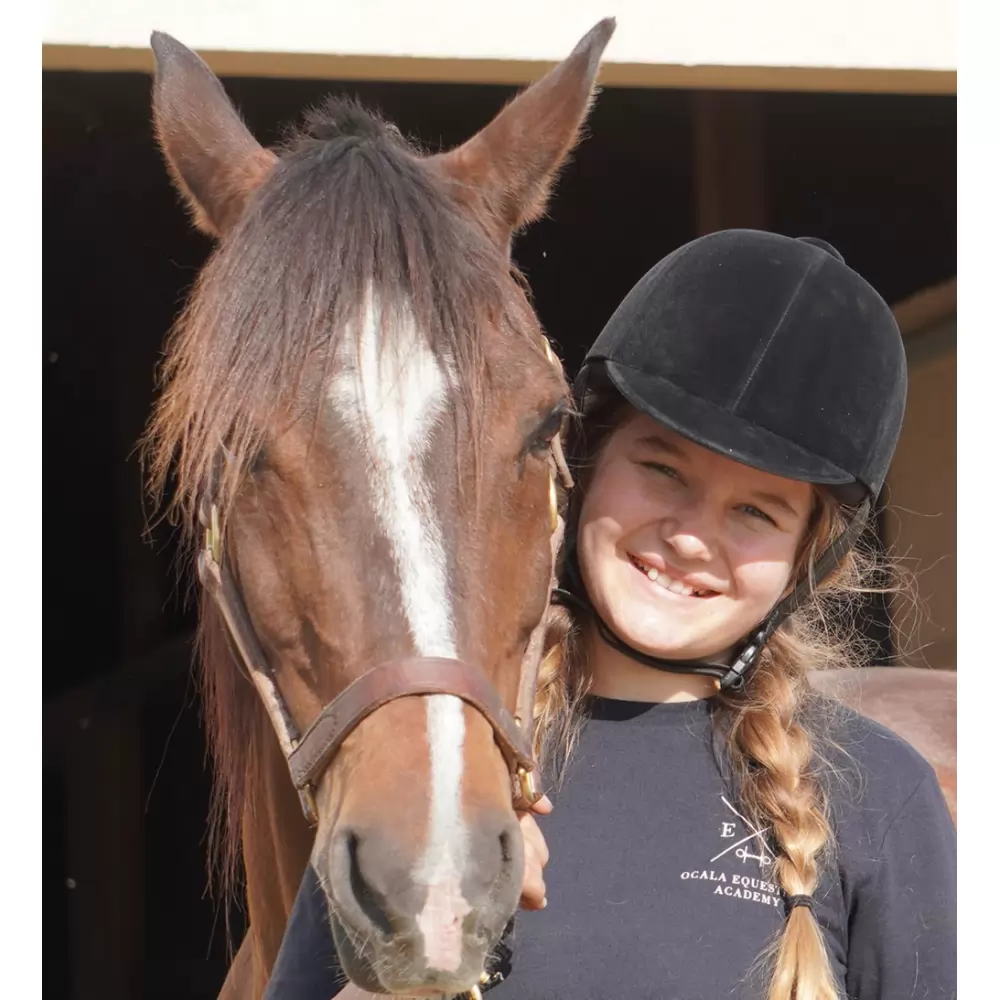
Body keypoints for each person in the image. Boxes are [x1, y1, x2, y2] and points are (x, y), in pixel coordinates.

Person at [263, 230, 956, 1000]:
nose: (692, 535)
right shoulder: (434, 765)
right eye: (662, 469)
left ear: (807, 557)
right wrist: (432, 957)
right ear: (587, 464)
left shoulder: (881, 800)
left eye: (756, 511)